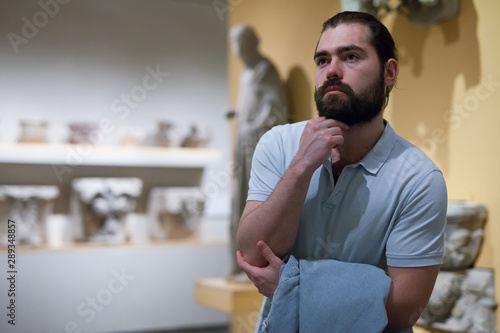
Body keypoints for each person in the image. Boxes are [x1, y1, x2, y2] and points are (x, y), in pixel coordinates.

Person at [236, 11, 447, 330]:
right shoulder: (278, 144)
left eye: (350, 56)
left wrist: (293, 288)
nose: (332, 71)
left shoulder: (419, 179)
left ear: (389, 72)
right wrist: (301, 167)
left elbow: (406, 308)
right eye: (322, 60)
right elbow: (252, 254)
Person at [226, 24, 288, 280]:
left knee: (257, 200)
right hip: (243, 141)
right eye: (234, 45)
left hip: (257, 143)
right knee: (237, 199)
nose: (237, 50)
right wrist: (239, 115)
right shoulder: (246, 74)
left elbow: (275, 107)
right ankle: (238, 260)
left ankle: (255, 262)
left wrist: (254, 125)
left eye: (240, 43)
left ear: (252, 43)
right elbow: (251, 105)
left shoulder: (265, 69)